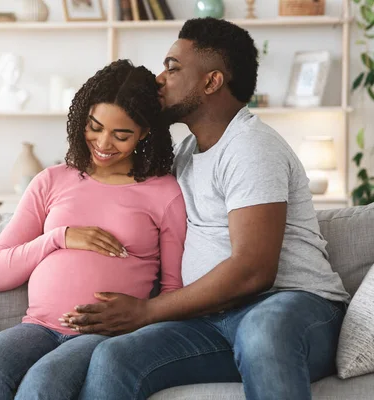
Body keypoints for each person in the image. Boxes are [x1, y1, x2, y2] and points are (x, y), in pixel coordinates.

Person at [63, 18, 350, 400]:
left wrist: (147, 311)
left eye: (173, 68)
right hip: (215, 321)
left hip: (295, 311)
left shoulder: (250, 146)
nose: (160, 79)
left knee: (262, 329)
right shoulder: (185, 154)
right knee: (116, 357)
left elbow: (253, 271)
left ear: (211, 82)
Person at [0, 59, 187, 400]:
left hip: (106, 336)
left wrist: (137, 323)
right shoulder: (51, 180)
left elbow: (173, 291)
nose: (104, 143)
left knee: (44, 381)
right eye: (95, 127)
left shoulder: (164, 192)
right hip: (38, 328)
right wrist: (60, 238)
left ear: (145, 132)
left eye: (121, 135)